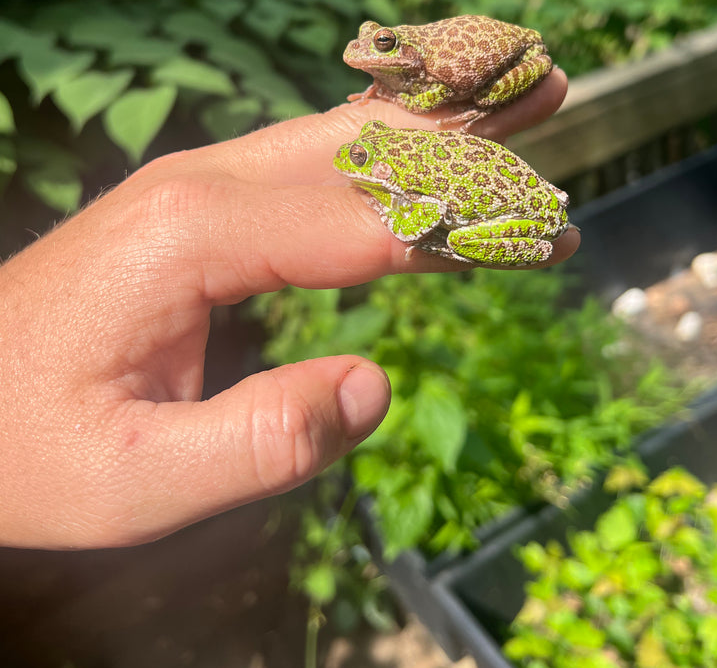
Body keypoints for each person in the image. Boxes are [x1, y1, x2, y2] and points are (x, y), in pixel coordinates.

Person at [0, 70, 578, 550]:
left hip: (508, 210)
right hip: (512, 183)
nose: (351, 163)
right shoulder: (404, 154)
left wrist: (409, 214)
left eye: (364, 160)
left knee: (443, 234)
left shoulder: (406, 179)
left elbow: (419, 221)